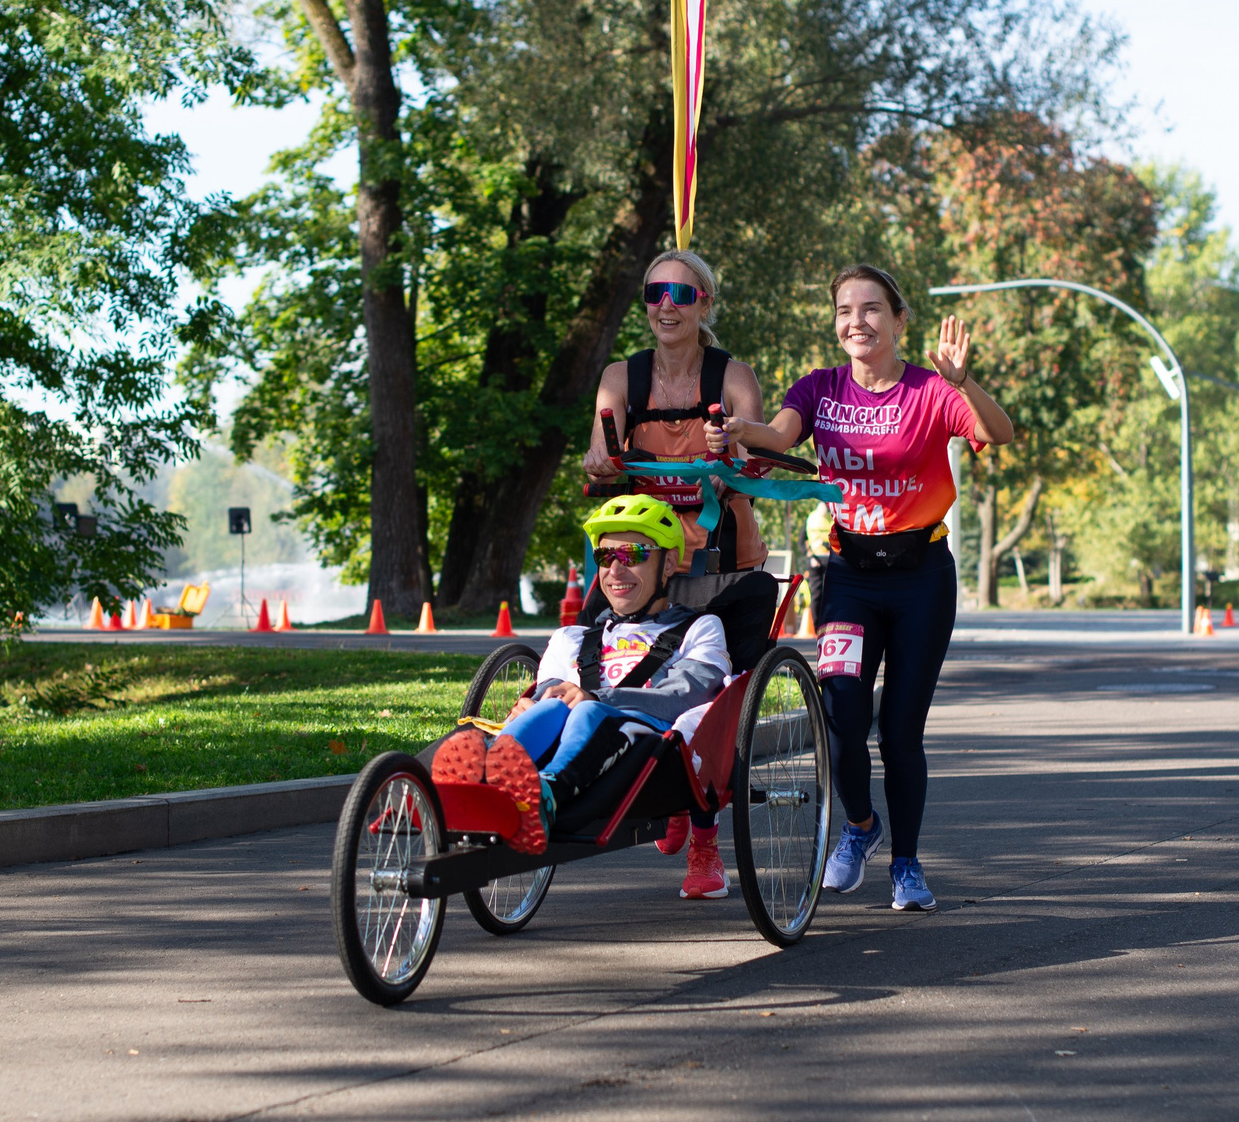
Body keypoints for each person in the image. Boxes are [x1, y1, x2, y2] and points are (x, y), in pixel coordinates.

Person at [707, 263, 1016, 912]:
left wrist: (965, 383)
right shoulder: (821, 388)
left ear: (899, 320)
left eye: (871, 308)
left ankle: (906, 864)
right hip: (847, 575)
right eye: (846, 310)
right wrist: (738, 432)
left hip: (922, 580)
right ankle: (859, 828)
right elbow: (780, 435)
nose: (858, 321)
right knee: (842, 715)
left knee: (900, 731)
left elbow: (997, 432)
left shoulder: (932, 391)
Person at [434, 494, 735, 895]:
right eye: (605, 555)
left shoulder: (700, 628)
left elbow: (688, 693)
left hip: (656, 743)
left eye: (632, 553)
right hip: (579, 737)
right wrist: (534, 705)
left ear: (667, 563)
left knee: (587, 713)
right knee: (552, 708)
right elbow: (550, 690)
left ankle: (545, 795)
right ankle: (484, 779)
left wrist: (599, 699)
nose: (615, 568)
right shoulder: (572, 638)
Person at [581, 248, 769, 874]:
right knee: (593, 653)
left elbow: (757, 455)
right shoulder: (621, 376)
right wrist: (601, 460)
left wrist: (732, 448)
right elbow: (597, 451)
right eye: (655, 293)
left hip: (722, 554)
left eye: (682, 294)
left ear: (704, 305)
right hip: (642, 553)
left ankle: (706, 839)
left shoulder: (732, 375)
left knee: (715, 697)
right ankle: (645, 786)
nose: (667, 304)